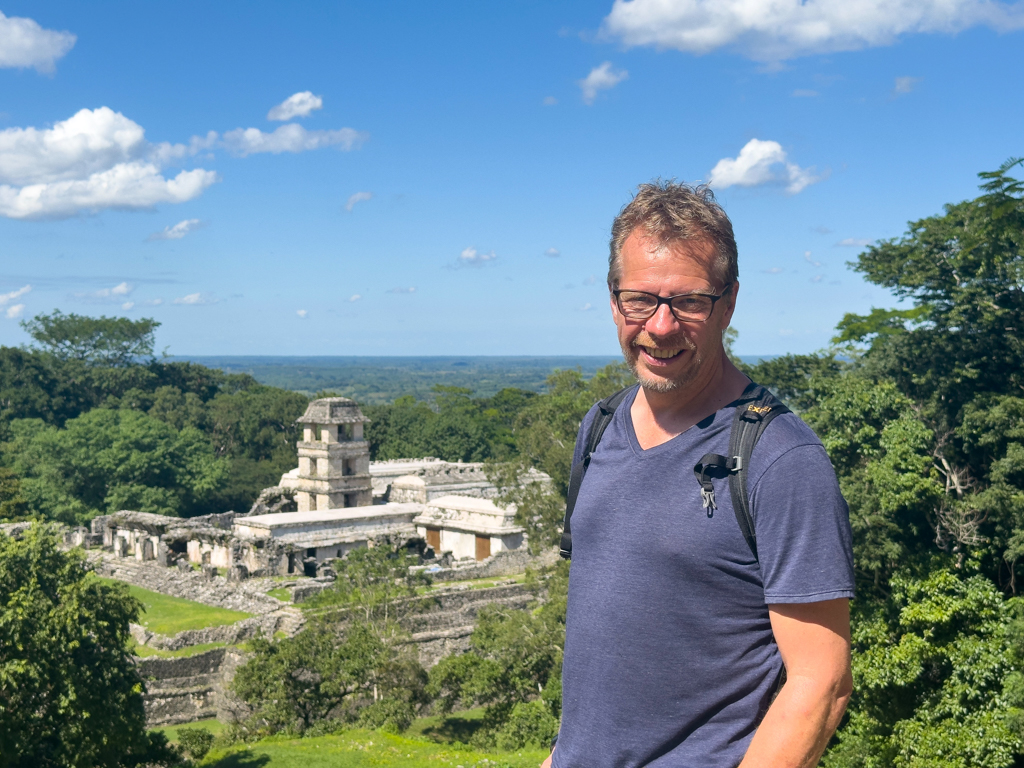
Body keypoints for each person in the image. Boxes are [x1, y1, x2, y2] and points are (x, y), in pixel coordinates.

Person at [543, 181, 854, 768]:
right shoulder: (601, 426)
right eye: (639, 299)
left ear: (729, 302)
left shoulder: (779, 460)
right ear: (613, 301)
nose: (660, 327)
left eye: (688, 302)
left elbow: (822, 683)